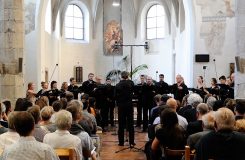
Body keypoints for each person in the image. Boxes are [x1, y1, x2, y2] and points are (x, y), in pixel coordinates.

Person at [115, 71, 135, 146]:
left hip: (121, 106)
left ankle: (121, 142)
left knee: (121, 124)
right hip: (129, 105)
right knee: (130, 124)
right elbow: (133, 92)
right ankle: (132, 142)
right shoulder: (131, 83)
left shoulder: (118, 85)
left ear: (121, 76)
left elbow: (115, 96)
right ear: (128, 76)